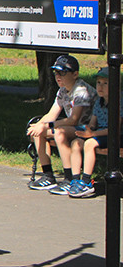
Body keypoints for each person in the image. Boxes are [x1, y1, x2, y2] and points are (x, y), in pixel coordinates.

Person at [26, 54, 95, 193]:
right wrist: (39, 125)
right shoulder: (62, 90)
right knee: (39, 133)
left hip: (87, 128)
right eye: (56, 72)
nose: (58, 76)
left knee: (59, 133)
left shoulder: (81, 91)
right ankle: (48, 175)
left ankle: (69, 179)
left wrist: (46, 125)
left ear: (75, 74)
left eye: (63, 72)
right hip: (73, 127)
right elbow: (52, 114)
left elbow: (73, 119)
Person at [67, 67, 121, 198]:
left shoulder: (119, 101)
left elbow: (115, 128)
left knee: (90, 143)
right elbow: (93, 122)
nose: (100, 87)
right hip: (99, 133)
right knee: (76, 142)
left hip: (114, 135)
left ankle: (87, 182)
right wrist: (89, 129)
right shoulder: (99, 101)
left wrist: (92, 135)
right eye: (98, 83)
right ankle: (75, 180)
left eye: (105, 83)